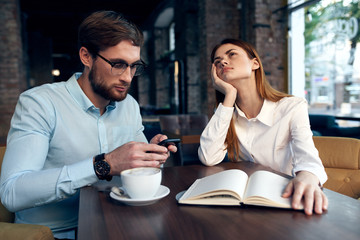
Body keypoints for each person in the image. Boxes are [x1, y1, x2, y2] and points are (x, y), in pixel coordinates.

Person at [0, 11, 176, 239]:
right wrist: (103, 165)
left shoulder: (129, 105)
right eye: (118, 64)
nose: (128, 77)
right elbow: (12, 192)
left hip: (119, 224)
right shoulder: (39, 103)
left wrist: (151, 157)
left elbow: (135, 175)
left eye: (134, 66)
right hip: (54, 233)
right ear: (86, 56)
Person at [198, 38, 328, 216]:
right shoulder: (226, 112)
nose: (223, 62)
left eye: (232, 54)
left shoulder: (292, 106)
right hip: (246, 206)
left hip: (286, 200)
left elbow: (308, 157)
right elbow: (208, 157)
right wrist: (229, 96)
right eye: (217, 62)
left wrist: (308, 175)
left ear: (255, 64)